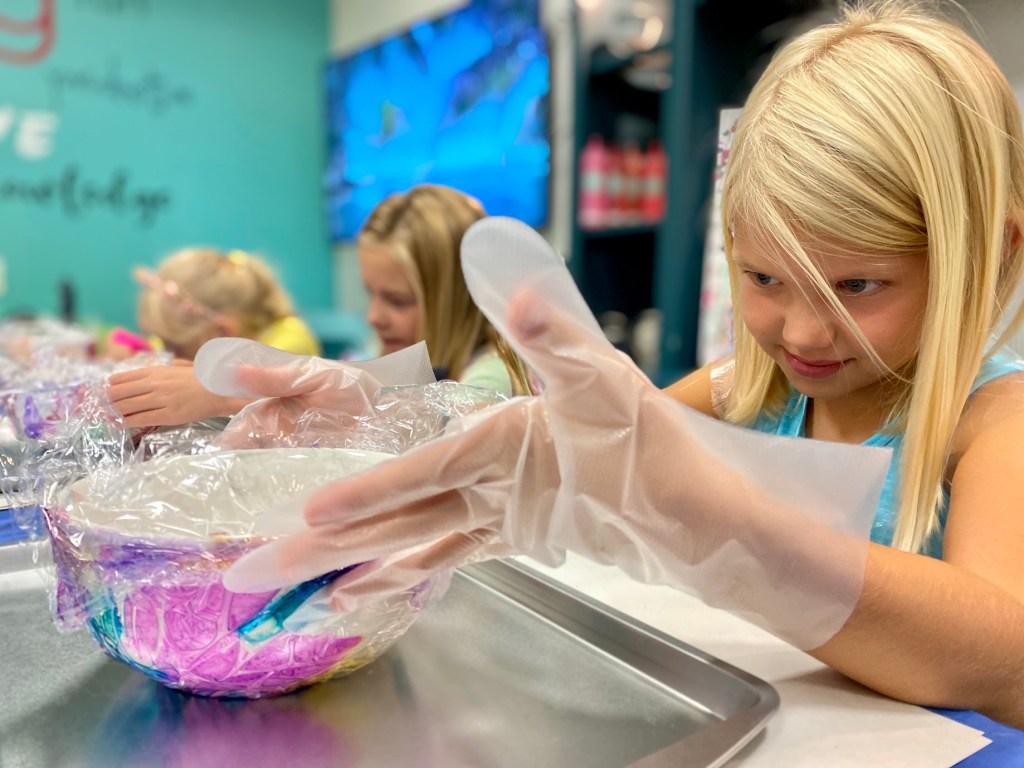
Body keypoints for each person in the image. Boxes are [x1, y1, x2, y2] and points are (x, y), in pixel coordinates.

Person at [207, 0, 1024, 727]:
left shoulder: (994, 419)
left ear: (989, 256)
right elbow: (575, 451)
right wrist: (398, 416)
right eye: (765, 278)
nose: (804, 332)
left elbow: (999, 656)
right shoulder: (745, 390)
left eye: (859, 284)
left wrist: (716, 521)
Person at [107, 247, 321, 427]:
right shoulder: (195, 336)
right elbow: (159, 353)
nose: (168, 352)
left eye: (174, 346)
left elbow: (292, 406)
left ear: (222, 333)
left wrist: (215, 394)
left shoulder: (290, 341)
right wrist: (133, 350)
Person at [357, 183, 531, 396]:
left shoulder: (488, 383)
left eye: (397, 301)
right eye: (370, 293)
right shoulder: (385, 349)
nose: (373, 317)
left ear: (458, 301)